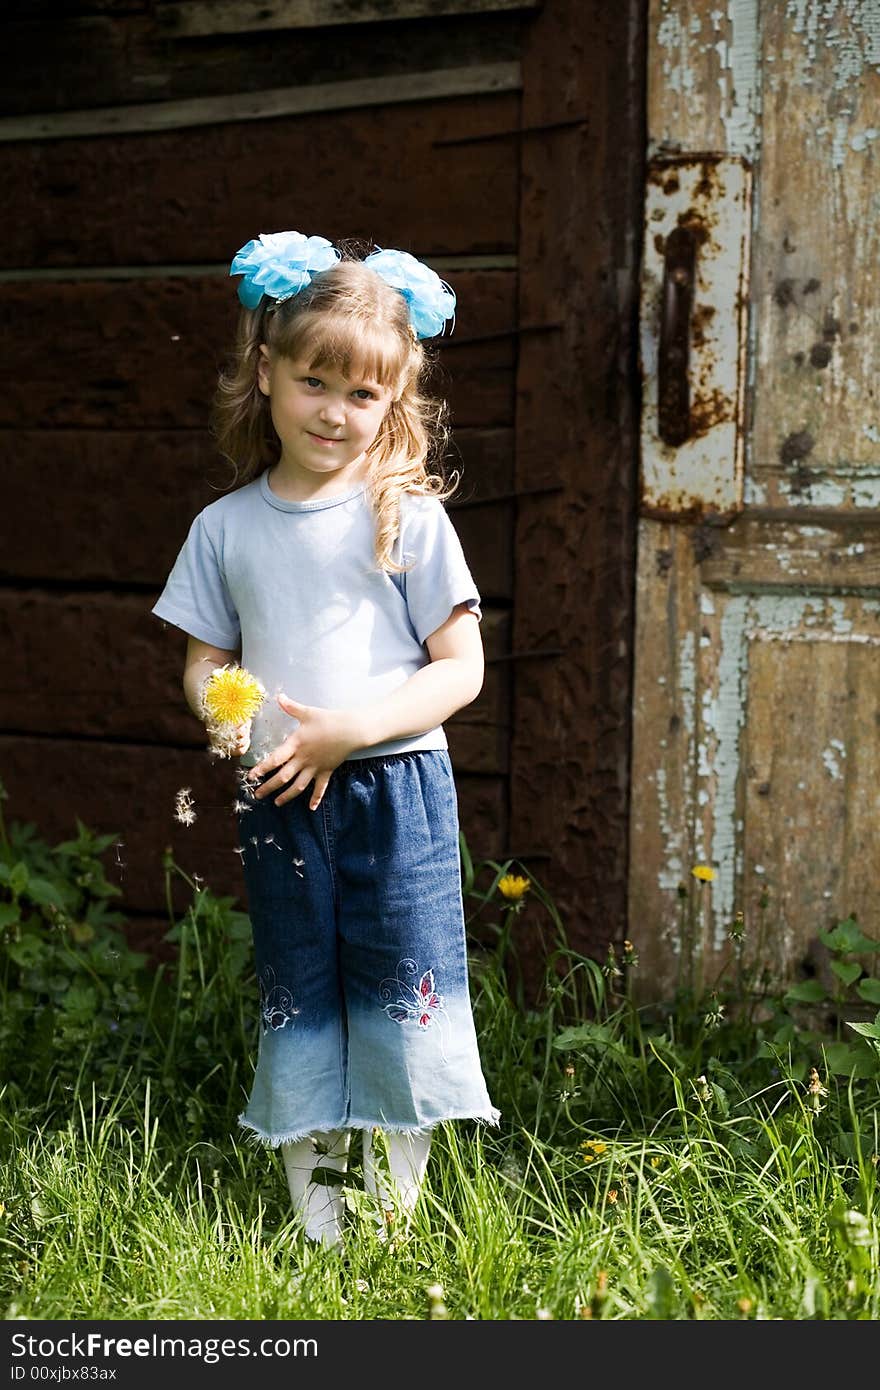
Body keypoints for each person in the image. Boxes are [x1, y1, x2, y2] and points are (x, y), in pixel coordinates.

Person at [151, 230, 499, 1249]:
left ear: (394, 402)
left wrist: (353, 729)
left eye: (363, 395)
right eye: (315, 382)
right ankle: (318, 1222)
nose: (335, 413)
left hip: (394, 788)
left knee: (401, 980)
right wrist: (235, 725)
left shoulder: (407, 516)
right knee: (300, 985)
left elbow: (459, 668)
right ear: (267, 372)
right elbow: (205, 664)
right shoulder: (226, 528)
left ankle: (391, 1223)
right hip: (283, 788)